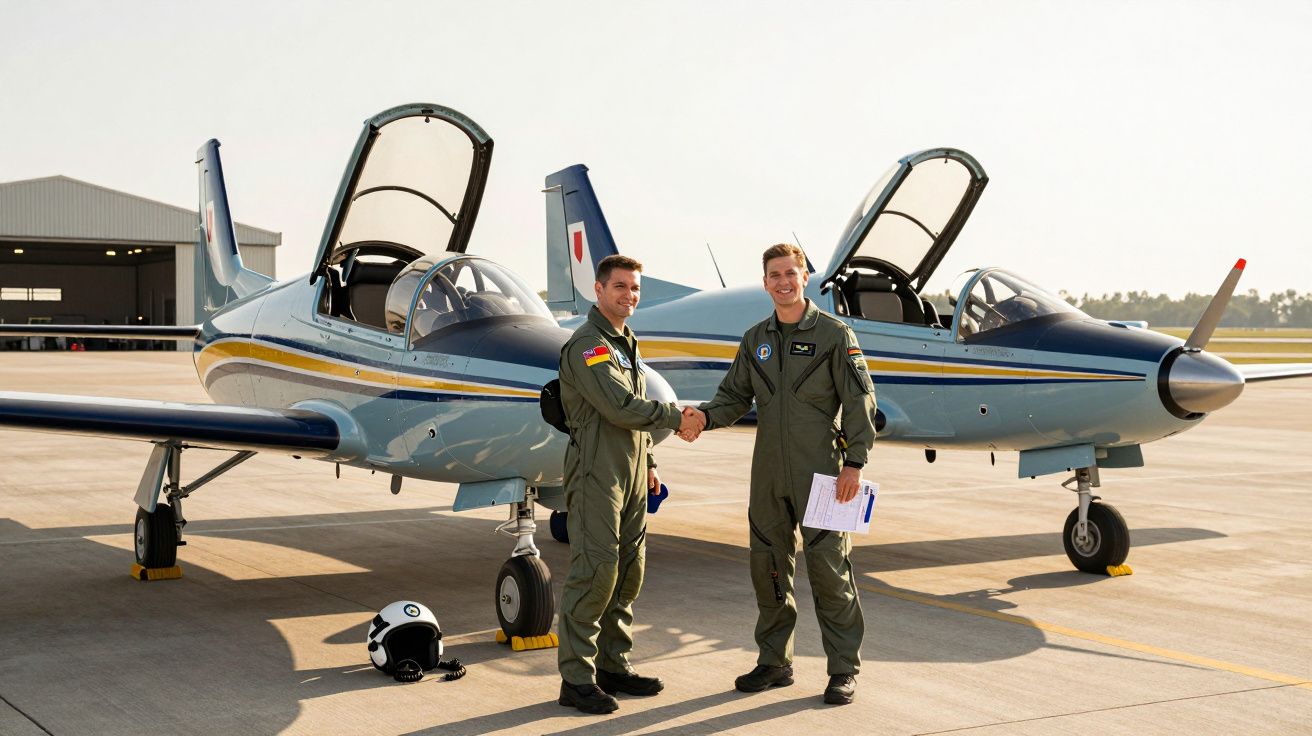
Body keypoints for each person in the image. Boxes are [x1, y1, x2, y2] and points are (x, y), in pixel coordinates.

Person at [682, 243, 877, 705]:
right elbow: (733, 397)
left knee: (830, 573)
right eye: (775, 275)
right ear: (765, 282)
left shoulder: (835, 335)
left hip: (823, 474)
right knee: (768, 570)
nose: (783, 282)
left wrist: (854, 463)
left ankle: (843, 670)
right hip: (768, 474)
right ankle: (774, 662)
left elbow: (860, 399)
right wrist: (703, 417)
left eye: (791, 273)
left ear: (805, 277)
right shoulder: (756, 339)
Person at [556, 253, 705, 715]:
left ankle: (612, 666)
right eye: (620, 286)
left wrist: (651, 460)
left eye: (635, 287)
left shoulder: (626, 342)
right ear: (599, 290)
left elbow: (634, 408)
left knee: (627, 571)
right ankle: (576, 678)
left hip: (634, 470)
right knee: (596, 572)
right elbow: (619, 406)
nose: (629, 295)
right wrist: (676, 417)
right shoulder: (589, 345)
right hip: (598, 473)